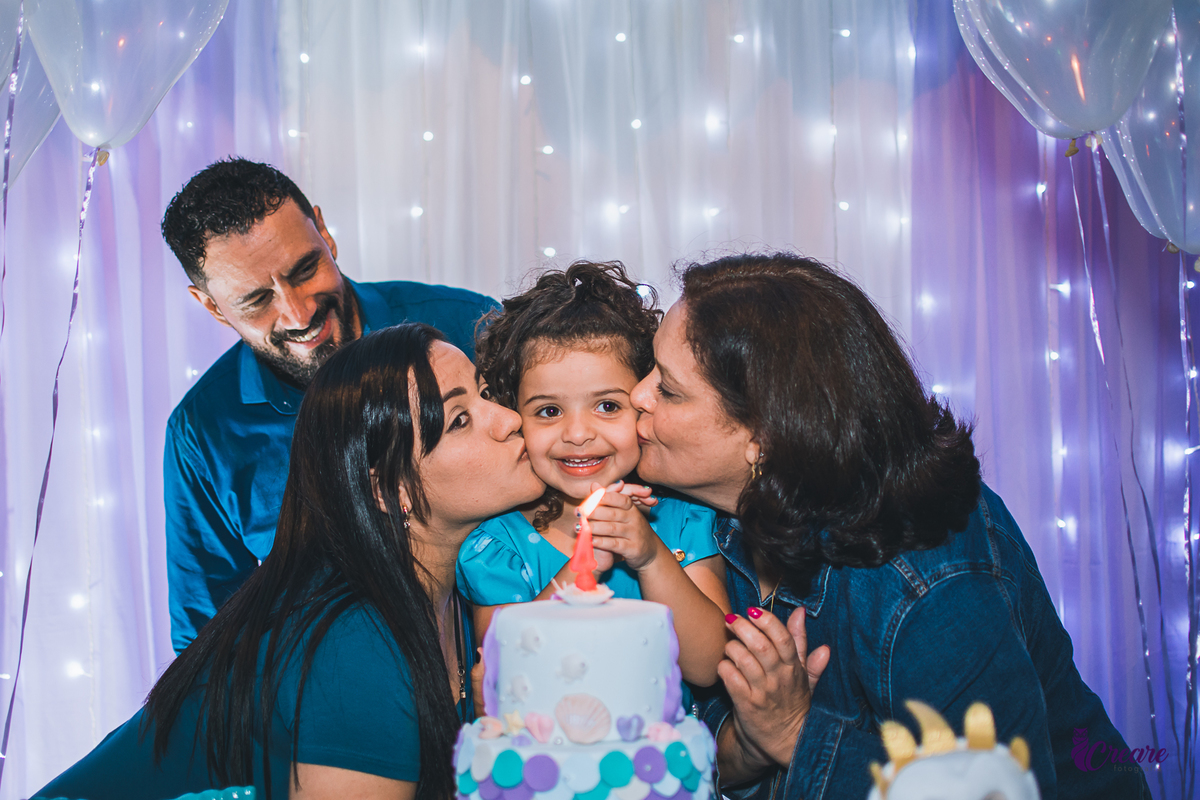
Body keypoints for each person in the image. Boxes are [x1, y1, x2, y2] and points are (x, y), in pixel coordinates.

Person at [628, 253, 1150, 799]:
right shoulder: (694, 513)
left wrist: (796, 733)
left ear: (765, 437)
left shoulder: (929, 572)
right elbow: (708, 742)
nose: (637, 394)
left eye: (667, 389)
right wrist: (754, 741)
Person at [36, 323, 544, 800]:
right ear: (390, 491)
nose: (508, 419)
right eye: (461, 419)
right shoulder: (356, 641)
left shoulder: (456, 586)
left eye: (485, 394)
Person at [161, 158, 497, 653]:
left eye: (305, 269)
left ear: (325, 233)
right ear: (211, 306)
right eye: (256, 301)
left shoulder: (468, 325)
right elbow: (207, 637)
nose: (298, 312)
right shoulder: (203, 432)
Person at [456, 261, 731, 691]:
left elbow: (710, 666)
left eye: (607, 406)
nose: (579, 434)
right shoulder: (498, 547)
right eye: (549, 411)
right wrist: (579, 569)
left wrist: (651, 557)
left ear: (645, 400)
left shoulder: (681, 520)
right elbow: (502, 677)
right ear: (515, 416)